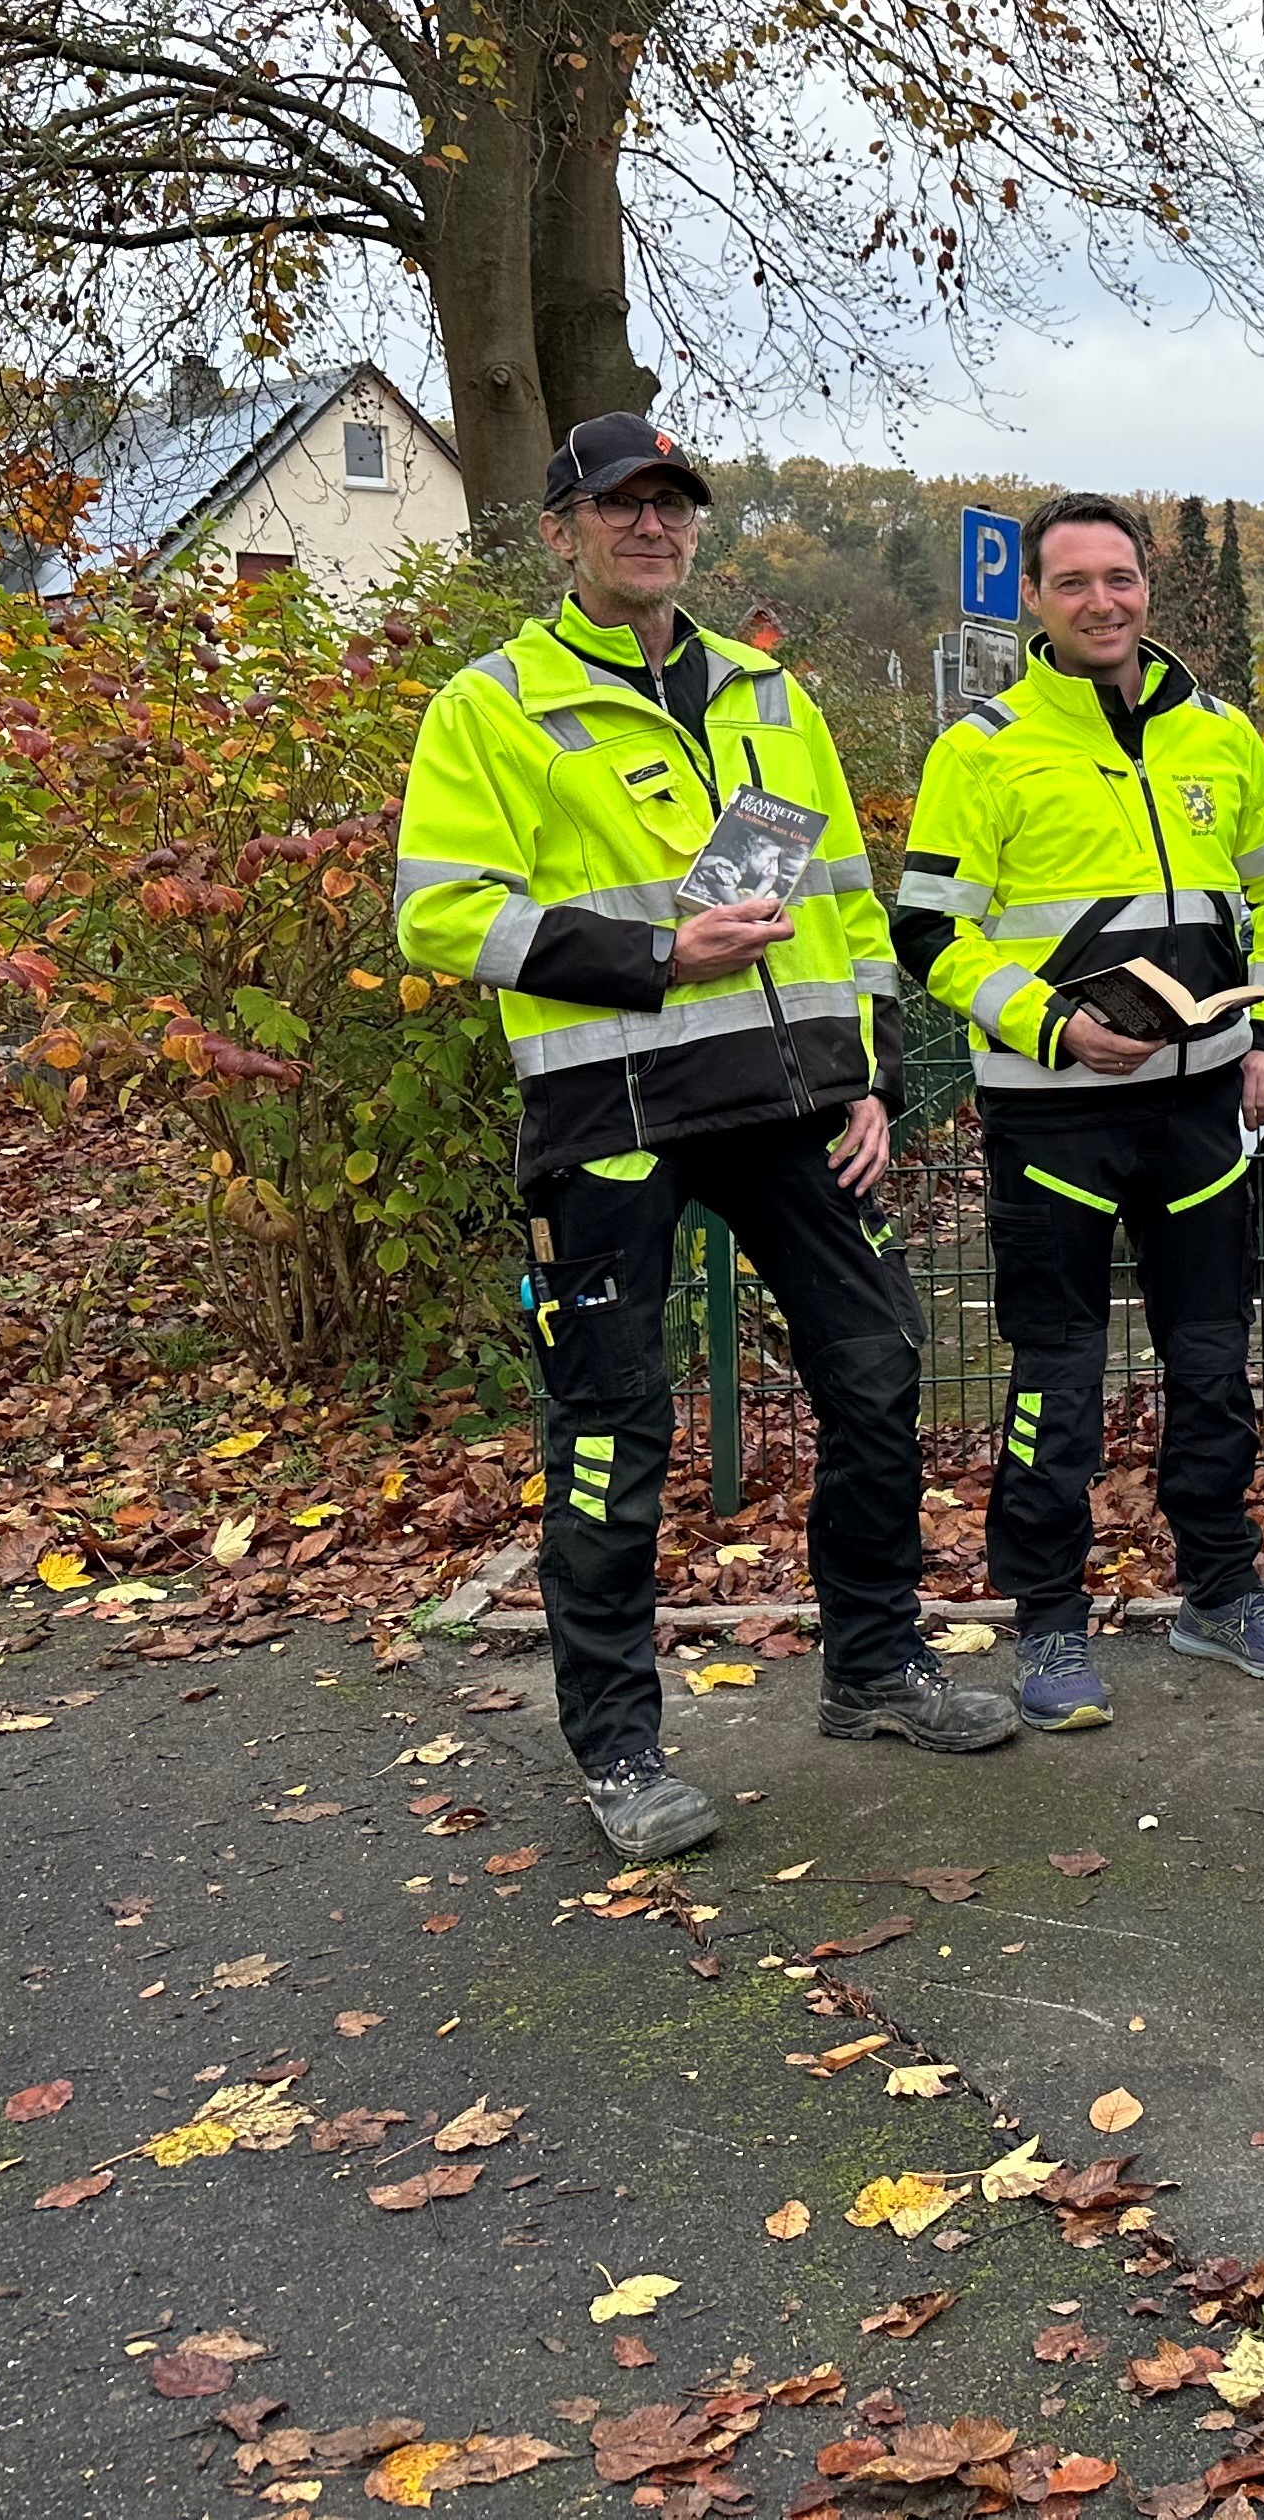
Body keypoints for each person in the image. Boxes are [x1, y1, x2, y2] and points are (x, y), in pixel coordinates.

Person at [396, 413, 1013, 1857]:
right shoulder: (491, 706)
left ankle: (872, 1664)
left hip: (794, 1106)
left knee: (877, 1369)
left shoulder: (768, 694)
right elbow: (439, 914)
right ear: (562, 529)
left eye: (672, 504)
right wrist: (656, 956)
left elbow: (848, 908)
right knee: (614, 1429)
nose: (650, 526)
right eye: (621, 504)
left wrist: (869, 1079)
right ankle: (617, 1749)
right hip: (609, 1117)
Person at [893, 493, 1264, 1729]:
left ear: (1149, 590)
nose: (1102, 602)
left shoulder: (1222, 735)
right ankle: (1046, 1625)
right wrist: (1049, 1026)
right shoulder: (980, 745)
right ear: (1035, 599)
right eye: (1074, 582)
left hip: (1200, 1108)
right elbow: (929, 930)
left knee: (1211, 1364)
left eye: (1121, 580)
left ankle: (1220, 1594)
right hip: (1053, 1115)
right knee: (1058, 1376)